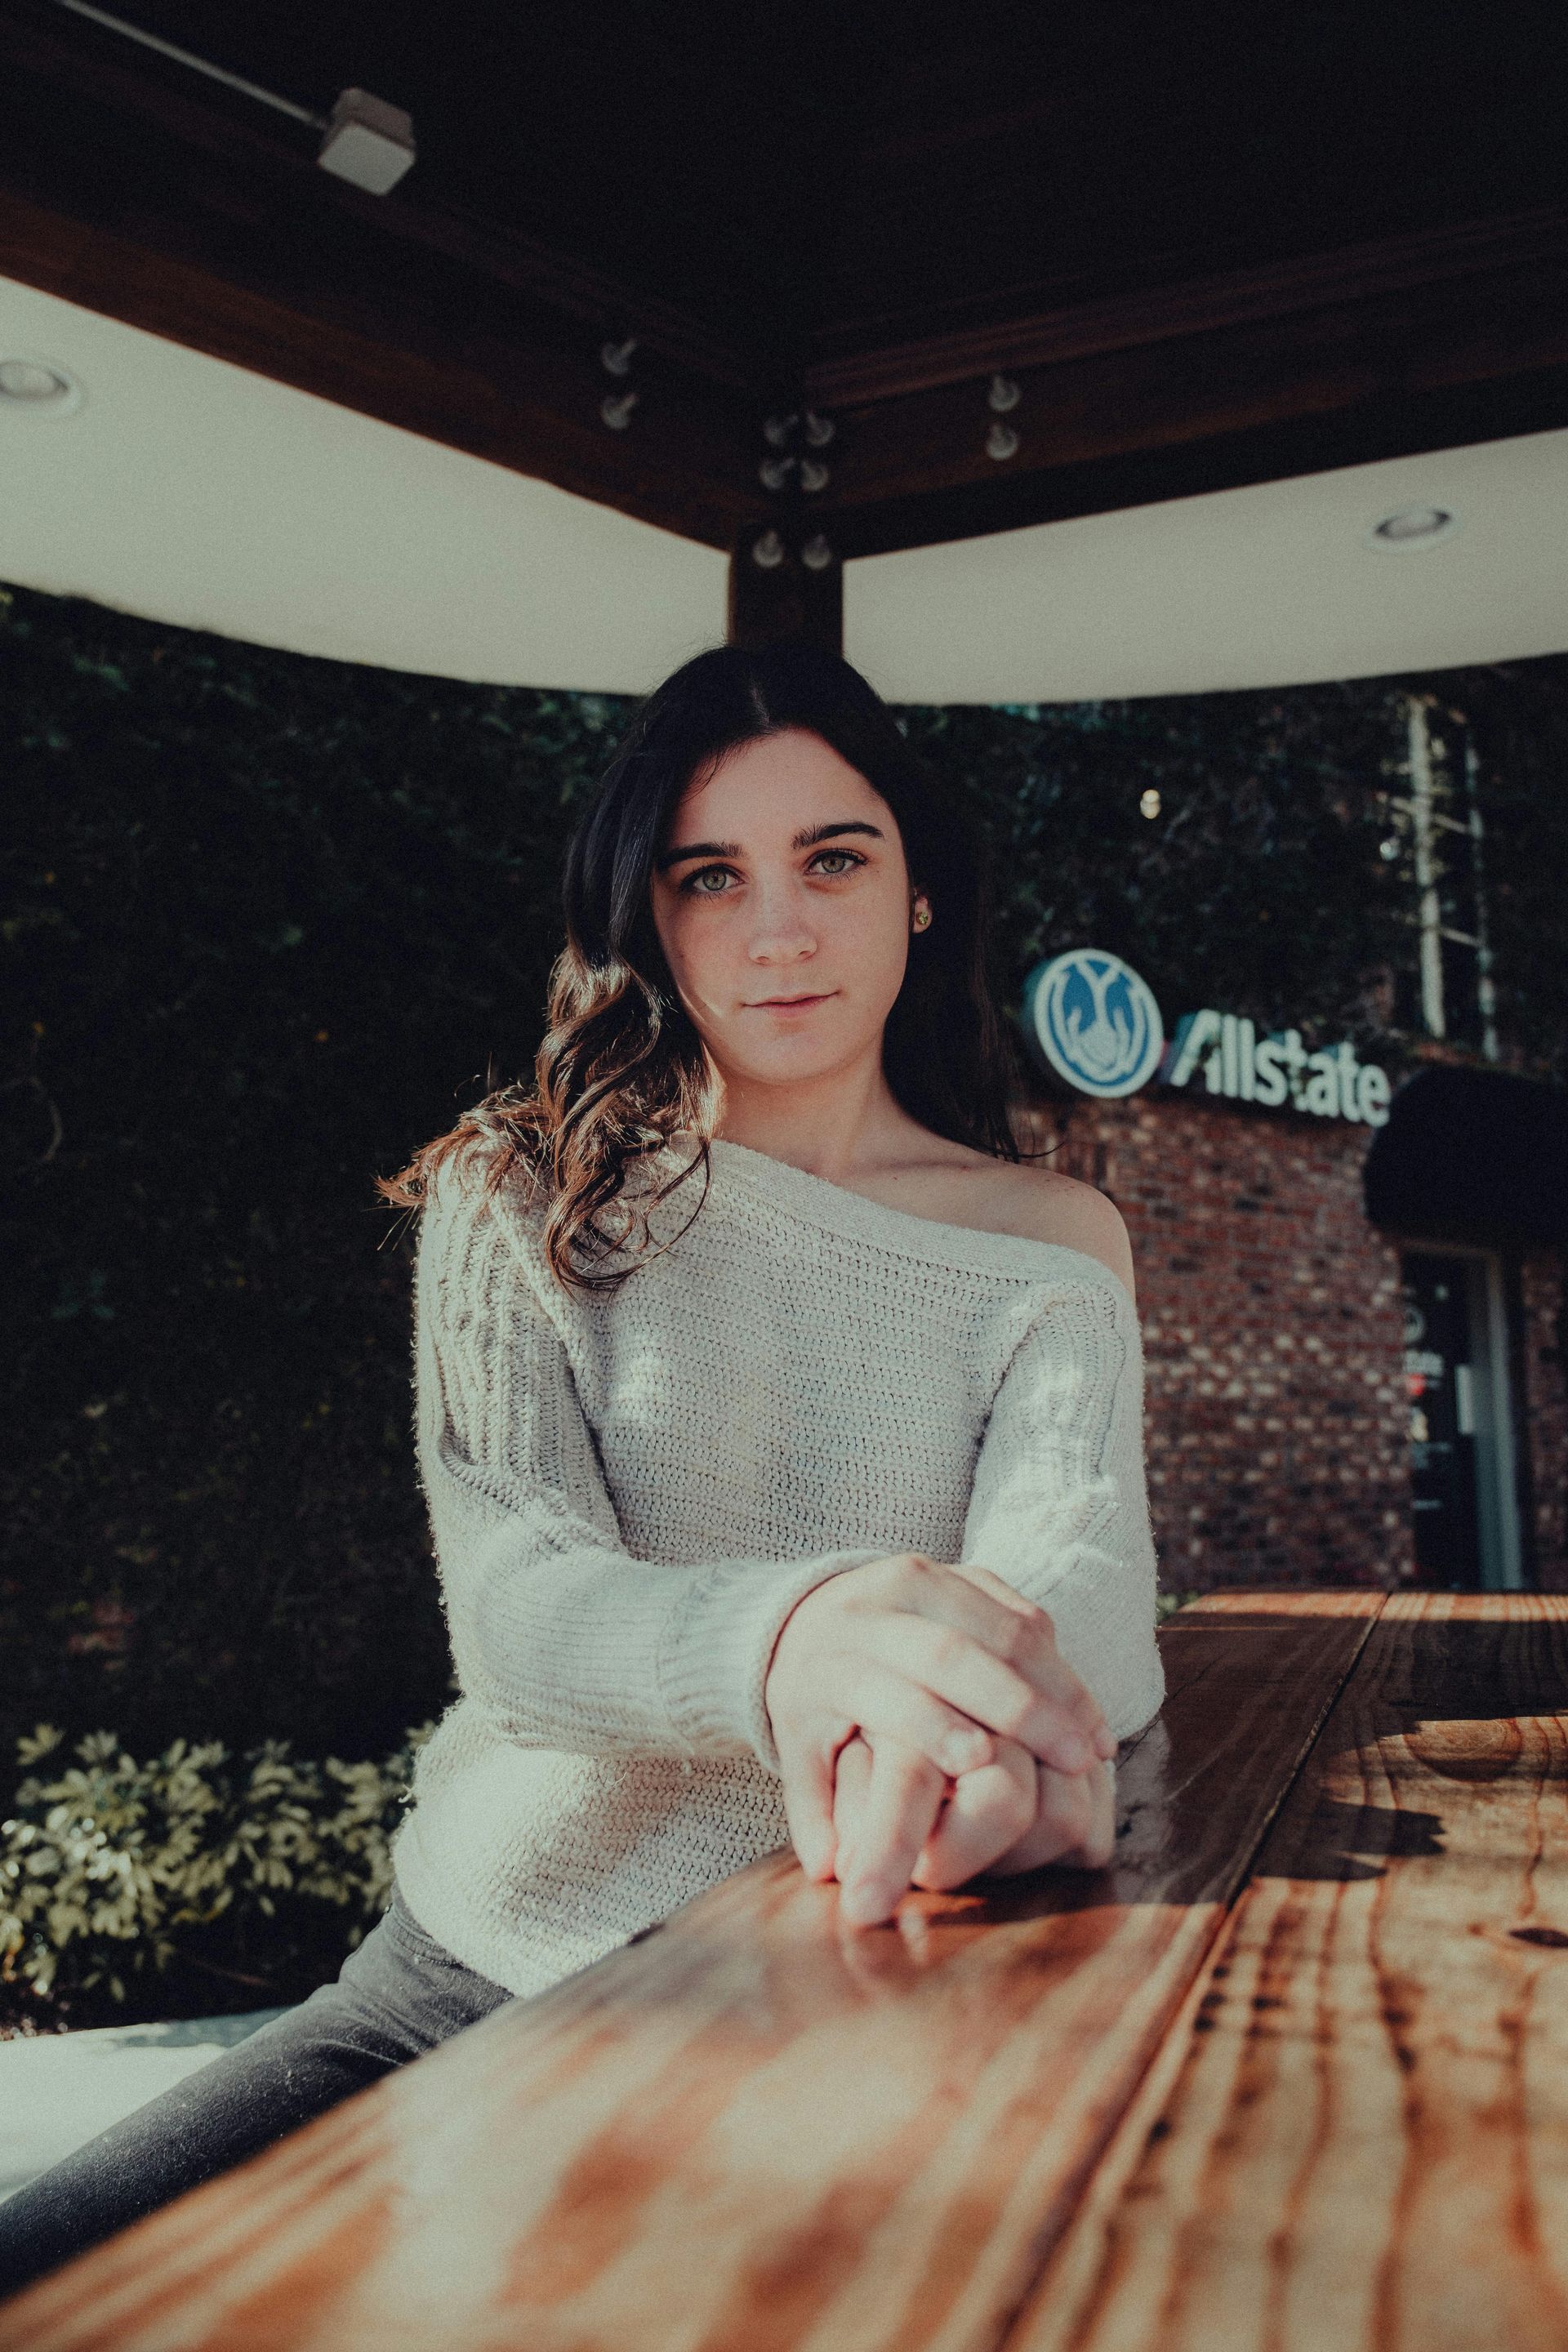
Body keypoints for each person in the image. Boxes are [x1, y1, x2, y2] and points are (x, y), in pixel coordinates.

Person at [0, 642, 1163, 2301]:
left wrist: (985, 1742)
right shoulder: (523, 1193)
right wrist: (799, 1639)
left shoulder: (1051, 1248)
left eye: (835, 857)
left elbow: (1089, 1605)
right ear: (649, 915)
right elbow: (518, 1612)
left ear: (919, 892)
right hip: (463, 1974)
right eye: (712, 877)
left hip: (849, 1999)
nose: (779, 928)